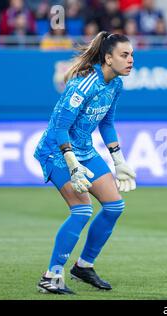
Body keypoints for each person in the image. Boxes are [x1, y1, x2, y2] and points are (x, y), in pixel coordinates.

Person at [34, 31, 136, 294]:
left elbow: (107, 122)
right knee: (81, 210)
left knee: (115, 206)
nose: (130, 60)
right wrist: (72, 164)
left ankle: (84, 266)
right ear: (108, 58)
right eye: (124, 55)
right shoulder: (83, 84)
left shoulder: (115, 85)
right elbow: (59, 128)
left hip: (85, 150)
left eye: (132, 55)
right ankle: (51, 276)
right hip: (56, 151)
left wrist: (118, 159)